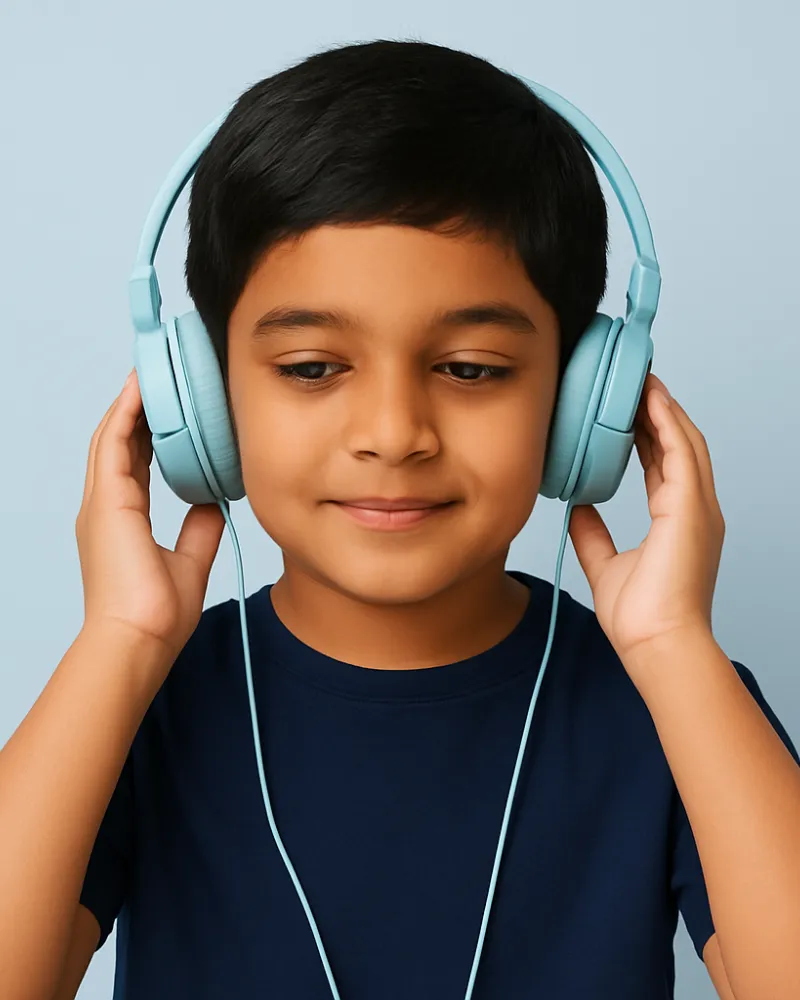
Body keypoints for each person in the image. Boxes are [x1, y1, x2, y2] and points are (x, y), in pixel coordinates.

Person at [1, 38, 799, 1000]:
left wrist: (676, 648)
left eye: (469, 369)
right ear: (199, 398)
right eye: (311, 368)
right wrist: (120, 639)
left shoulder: (673, 704)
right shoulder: (137, 703)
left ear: (586, 401)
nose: (393, 434)